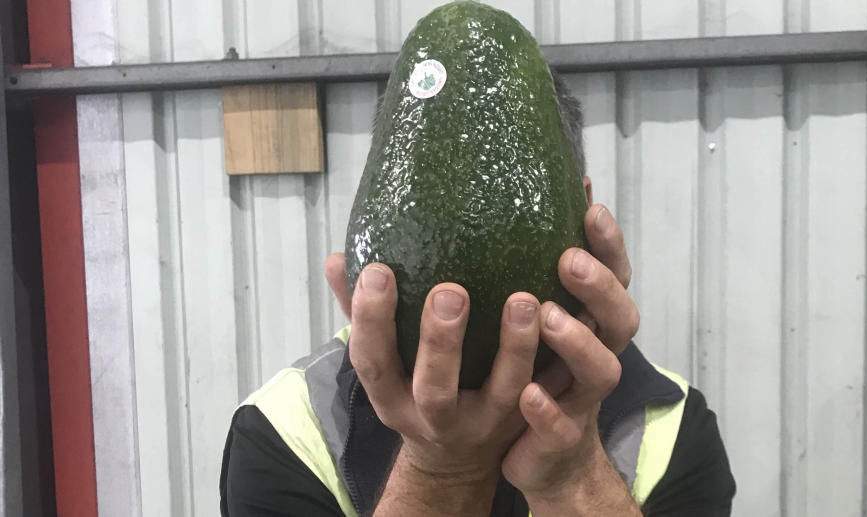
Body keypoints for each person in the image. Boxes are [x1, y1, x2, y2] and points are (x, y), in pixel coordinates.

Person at [219, 76, 736, 517]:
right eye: (432, 207)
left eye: (502, 204)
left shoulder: (671, 428)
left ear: (580, 212)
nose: (468, 234)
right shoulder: (287, 430)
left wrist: (571, 475)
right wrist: (440, 471)